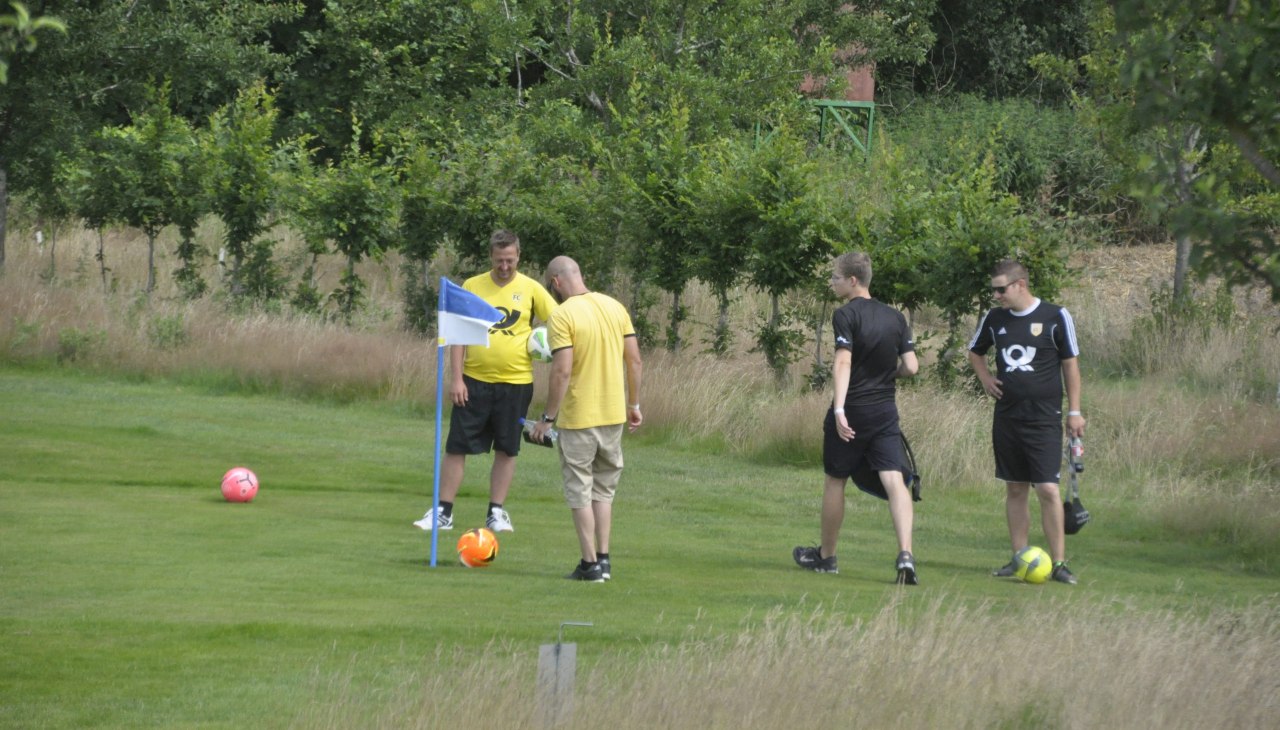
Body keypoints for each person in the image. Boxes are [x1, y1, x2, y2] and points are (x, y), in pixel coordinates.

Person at [414, 230, 557, 534]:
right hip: (473, 381)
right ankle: (443, 512)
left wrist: (546, 343)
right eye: (499, 260)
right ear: (491, 257)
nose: (504, 266)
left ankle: (496, 513)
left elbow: (559, 320)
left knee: (507, 449)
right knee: (457, 446)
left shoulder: (531, 289)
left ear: (518, 256)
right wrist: (456, 379)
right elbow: (457, 336)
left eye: (510, 260)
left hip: (516, 384)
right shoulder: (472, 286)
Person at [793, 251, 921, 584]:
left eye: (835, 277)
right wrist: (888, 374)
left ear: (853, 280)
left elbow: (843, 362)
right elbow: (911, 367)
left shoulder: (845, 315)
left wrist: (839, 409)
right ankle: (906, 555)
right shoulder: (895, 317)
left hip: (851, 413)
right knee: (894, 480)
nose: (832, 282)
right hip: (885, 413)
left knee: (836, 480)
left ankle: (827, 557)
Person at [967, 259, 1085, 585]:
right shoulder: (995, 319)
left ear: (1020, 285)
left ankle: (1058, 563)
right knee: (1016, 487)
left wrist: (1075, 411)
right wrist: (985, 378)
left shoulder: (1055, 316)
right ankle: (1020, 558)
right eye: (994, 290)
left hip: (1045, 418)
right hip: (1007, 417)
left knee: (1047, 488)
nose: (996, 296)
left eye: (1001, 289)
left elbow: (1070, 365)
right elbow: (975, 352)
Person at [531, 256, 643, 583]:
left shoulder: (562, 315)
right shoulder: (615, 307)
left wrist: (547, 418)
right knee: (604, 490)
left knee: (579, 489)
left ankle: (589, 564)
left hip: (579, 417)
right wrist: (634, 404)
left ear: (555, 283)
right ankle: (604, 560)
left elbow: (562, 371)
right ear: (579, 274)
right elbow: (635, 361)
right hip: (613, 414)